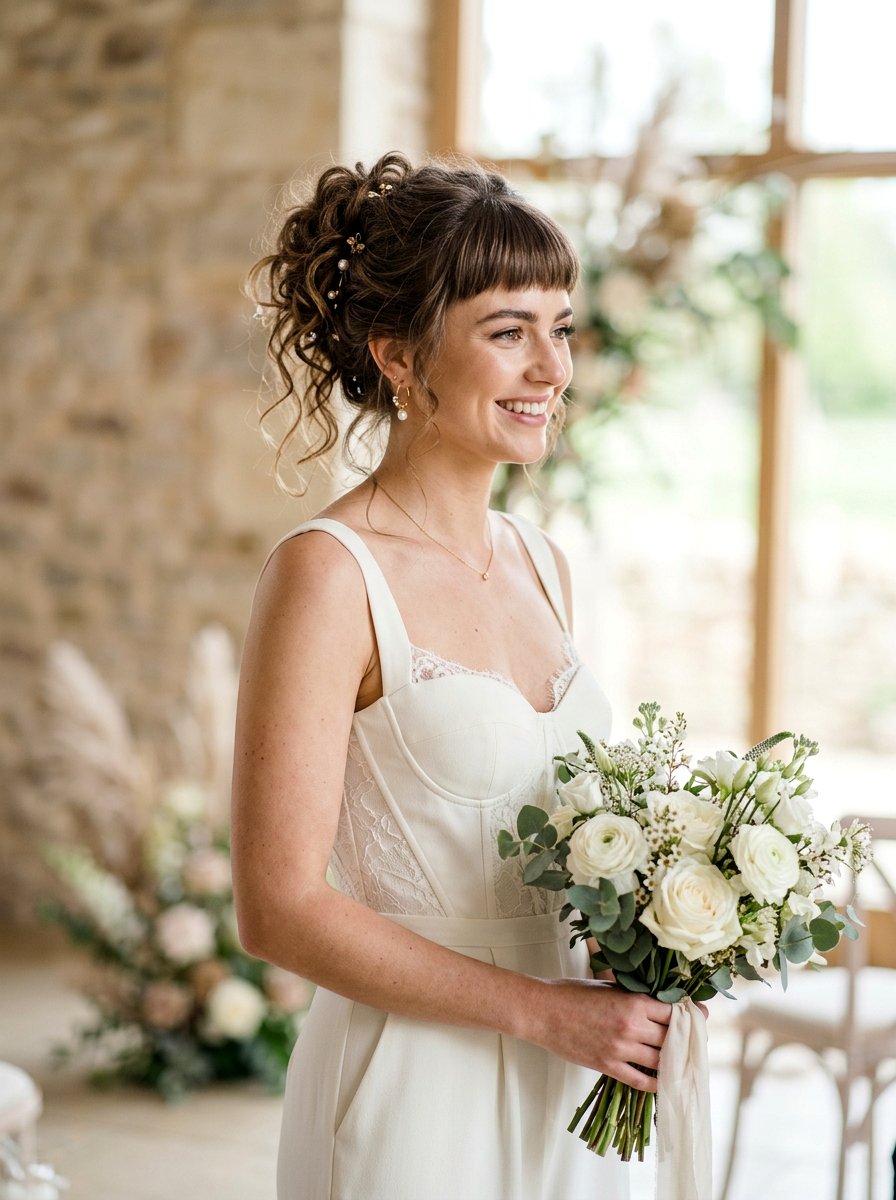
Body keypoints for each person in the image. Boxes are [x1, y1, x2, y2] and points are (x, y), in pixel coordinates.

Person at [231, 151, 673, 1200]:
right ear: (397, 354)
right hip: (414, 1084)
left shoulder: (545, 564)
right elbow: (277, 906)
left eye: (559, 328)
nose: (551, 369)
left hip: (574, 1081)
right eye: (506, 332)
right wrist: (537, 1010)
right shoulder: (327, 575)